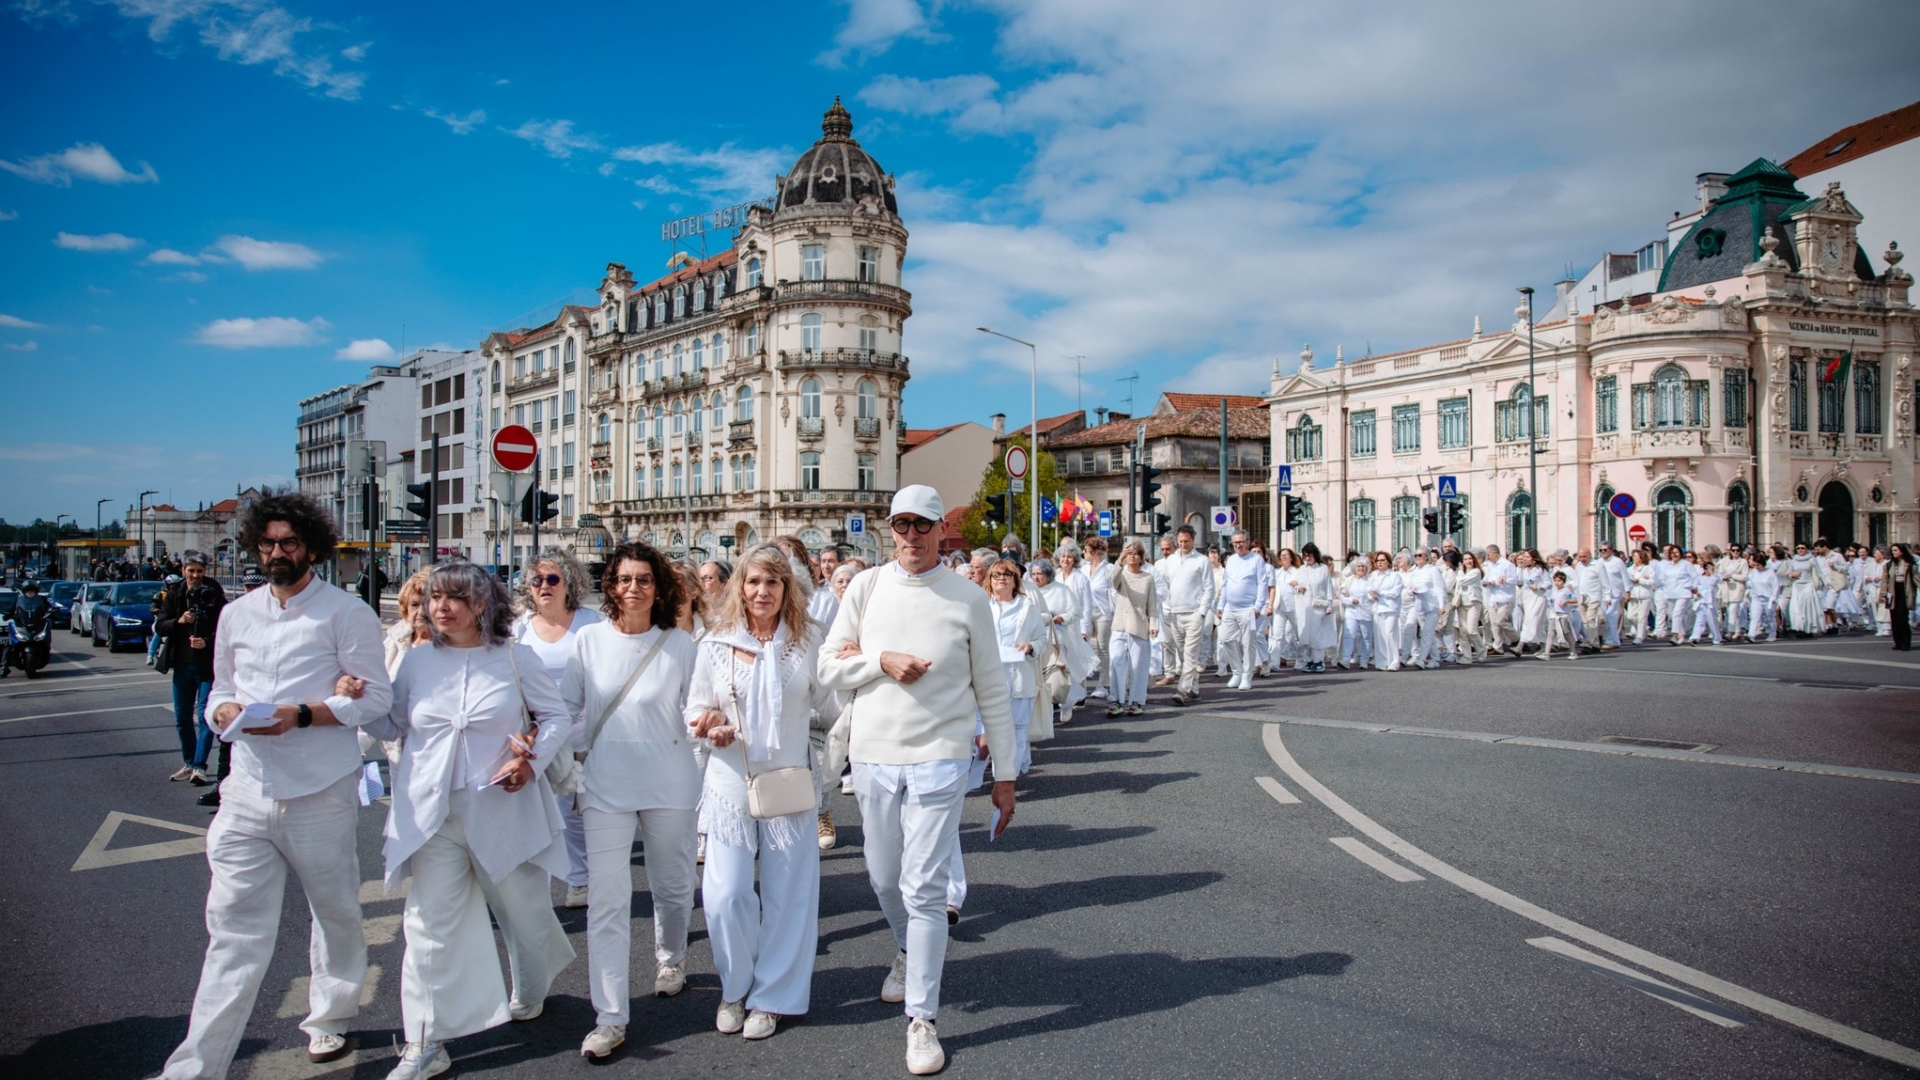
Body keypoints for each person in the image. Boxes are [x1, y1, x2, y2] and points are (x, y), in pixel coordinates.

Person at [159, 494, 391, 1079]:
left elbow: (377, 700)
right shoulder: (236, 614)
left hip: (320, 792)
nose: (277, 553)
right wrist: (221, 714)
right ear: (254, 548)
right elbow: (219, 690)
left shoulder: (346, 613)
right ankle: (195, 1066)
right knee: (233, 934)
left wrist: (305, 714)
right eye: (267, 543)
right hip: (245, 791)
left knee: (335, 913)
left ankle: (330, 1017)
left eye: (289, 542)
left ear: (311, 546)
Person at [818, 485, 1018, 1077]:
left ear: (938, 530)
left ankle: (922, 1018)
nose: (910, 535)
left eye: (921, 525)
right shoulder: (865, 586)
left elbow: (993, 692)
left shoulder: (966, 597)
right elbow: (828, 665)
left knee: (924, 885)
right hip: (874, 753)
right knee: (883, 876)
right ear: (889, 529)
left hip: (942, 754)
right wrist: (879, 659)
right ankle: (907, 950)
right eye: (900, 525)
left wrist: (1004, 775)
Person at [365, 562, 574, 1080]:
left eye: (454, 597)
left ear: (482, 604)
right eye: (435, 598)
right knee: (427, 926)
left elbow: (555, 719)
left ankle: (533, 979)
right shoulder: (415, 664)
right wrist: (356, 698)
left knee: (523, 913)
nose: (440, 607)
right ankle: (424, 1041)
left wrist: (530, 762)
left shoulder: (514, 657)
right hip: (431, 814)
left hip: (502, 808)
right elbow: (389, 723)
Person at [685, 543, 838, 1041]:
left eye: (773, 582)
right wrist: (711, 726)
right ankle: (735, 987)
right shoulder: (716, 642)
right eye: (753, 582)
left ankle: (772, 996)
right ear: (739, 587)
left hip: (789, 783)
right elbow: (695, 710)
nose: (762, 591)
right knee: (725, 894)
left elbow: (835, 704)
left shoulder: (809, 640)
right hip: (730, 782)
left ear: (787, 588)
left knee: (788, 895)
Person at [562, 541, 700, 1061]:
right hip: (605, 784)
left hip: (669, 781)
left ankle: (670, 956)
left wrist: (710, 725)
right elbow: (567, 710)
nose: (634, 588)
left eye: (644, 579)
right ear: (611, 586)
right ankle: (610, 1015)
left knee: (671, 881)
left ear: (658, 588)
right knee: (608, 899)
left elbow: (696, 709)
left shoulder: (680, 645)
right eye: (624, 579)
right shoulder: (589, 642)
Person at [512, 549, 602, 909]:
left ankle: (584, 879)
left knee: (577, 814)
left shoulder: (591, 624)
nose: (544, 587)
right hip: (537, 737)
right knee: (543, 816)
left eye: (552, 579)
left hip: (585, 737)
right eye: (537, 580)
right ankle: (555, 883)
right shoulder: (517, 629)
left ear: (570, 584)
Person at [154, 551, 228, 788]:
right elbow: (160, 626)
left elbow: (227, 628)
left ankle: (199, 766)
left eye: (199, 571)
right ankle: (189, 762)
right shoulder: (175, 594)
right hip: (182, 665)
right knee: (182, 718)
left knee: (205, 716)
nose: (195, 575)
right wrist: (179, 621)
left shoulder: (214, 593)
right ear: (183, 570)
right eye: (191, 570)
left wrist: (207, 640)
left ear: (205, 572)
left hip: (206, 666)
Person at [983, 558, 1046, 776]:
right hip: (989, 676)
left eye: (1007, 575)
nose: (1001, 580)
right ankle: (1003, 769)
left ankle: (1007, 777)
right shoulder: (981, 607)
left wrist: (1031, 647)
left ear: (1015, 580)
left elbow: (1042, 640)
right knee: (989, 729)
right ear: (989, 580)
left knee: (1016, 731)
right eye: (996, 575)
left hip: (1019, 675)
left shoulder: (1027, 607)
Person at [1158, 526, 1215, 704]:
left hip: (1194, 614)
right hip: (1174, 613)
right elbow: (1165, 584)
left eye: (1186, 541)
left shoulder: (1202, 561)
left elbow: (1209, 588)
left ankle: (1183, 690)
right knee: (1183, 655)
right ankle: (1194, 688)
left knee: (1190, 654)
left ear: (1193, 540)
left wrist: (1202, 612)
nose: (1183, 545)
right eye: (1180, 541)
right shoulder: (1171, 560)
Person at [1106, 539, 1159, 716]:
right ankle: (1115, 700)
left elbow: (1152, 604)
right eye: (1129, 553)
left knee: (1138, 665)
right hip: (1120, 624)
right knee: (1116, 662)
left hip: (1139, 624)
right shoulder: (1121, 574)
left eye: (1135, 553)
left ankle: (1136, 701)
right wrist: (1119, 559)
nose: (1132, 556)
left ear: (1141, 557)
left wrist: (1154, 624)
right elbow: (1112, 580)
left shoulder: (1148, 578)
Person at [1214, 531, 1270, 690]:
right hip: (1230, 608)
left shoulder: (1256, 560)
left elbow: (1262, 584)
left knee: (1248, 643)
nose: (1238, 545)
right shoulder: (1231, 560)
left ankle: (1247, 675)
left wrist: (1258, 606)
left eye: (1241, 542)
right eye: (1235, 543)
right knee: (1226, 639)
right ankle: (1237, 671)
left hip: (1248, 608)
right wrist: (1220, 605)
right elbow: (1226, 584)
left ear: (1247, 542)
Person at [1288, 544, 1338, 673]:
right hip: (1304, 606)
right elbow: (1296, 586)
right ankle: (1309, 660)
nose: (1307, 558)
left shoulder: (1323, 569)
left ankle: (1318, 661)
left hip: (1318, 606)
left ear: (1315, 555)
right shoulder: (1302, 569)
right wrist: (1297, 587)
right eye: (1305, 555)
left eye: (1309, 555)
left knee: (1317, 634)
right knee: (1305, 634)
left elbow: (1328, 588)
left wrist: (1329, 605)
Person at [1079, 537, 1117, 698]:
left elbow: (1115, 591)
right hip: (1085, 613)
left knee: (1103, 649)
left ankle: (1103, 684)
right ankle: (1082, 686)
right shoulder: (1082, 569)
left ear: (1094, 552)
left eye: (1086, 550)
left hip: (1103, 613)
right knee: (1082, 647)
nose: (1083, 553)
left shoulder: (1109, 569)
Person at [1367, 552, 1404, 671]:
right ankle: (1382, 661)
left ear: (1388, 562)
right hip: (1377, 608)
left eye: (1382, 560)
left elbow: (1395, 592)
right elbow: (1368, 592)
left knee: (1389, 634)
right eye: (1378, 561)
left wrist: (1380, 593)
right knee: (1380, 636)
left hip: (1390, 608)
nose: (1380, 563)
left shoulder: (1395, 576)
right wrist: (1372, 596)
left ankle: (1395, 661)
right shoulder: (1373, 575)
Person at [1482, 545, 1518, 656]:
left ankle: (1516, 638)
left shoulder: (1507, 565)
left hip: (1505, 597)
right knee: (1494, 624)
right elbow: (1488, 577)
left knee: (1501, 621)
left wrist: (1504, 580)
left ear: (1495, 553)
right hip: (1493, 597)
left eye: (1489, 555)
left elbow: (1514, 580)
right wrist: (1487, 582)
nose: (1488, 557)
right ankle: (1497, 646)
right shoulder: (1490, 565)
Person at [1454, 551, 1486, 664]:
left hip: (1473, 603)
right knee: (1463, 631)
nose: (1468, 561)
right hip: (1461, 603)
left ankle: (1481, 650)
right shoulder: (1461, 572)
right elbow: (1458, 584)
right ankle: (1467, 656)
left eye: (1470, 559)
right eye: (1466, 559)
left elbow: (1462, 581)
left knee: (1472, 630)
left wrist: (1461, 572)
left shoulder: (1476, 572)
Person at [1745, 553, 1781, 643]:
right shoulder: (1753, 572)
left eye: (1758, 565)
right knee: (1755, 617)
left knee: (1770, 617)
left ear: (1763, 564)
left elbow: (1776, 586)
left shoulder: (1770, 573)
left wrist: (1773, 599)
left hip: (1768, 599)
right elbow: (1749, 582)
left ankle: (1772, 634)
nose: (1756, 567)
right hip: (1757, 598)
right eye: (1755, 565)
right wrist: (1749, 584)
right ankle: (1751, 634)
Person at [1887, 543, 1916, 652]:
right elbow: (1885, 581)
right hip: (1893, 592)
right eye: (1892, 550)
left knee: (1902, 618)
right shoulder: (1889, 565)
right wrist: (1883, 595)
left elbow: (1916, 579)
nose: (1893, 552)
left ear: (1902, 551)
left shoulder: (1910, 565)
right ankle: (1898, 642)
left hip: (1905, 591)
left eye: (1895, 550)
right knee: (1894, 618)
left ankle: (1906, 643)